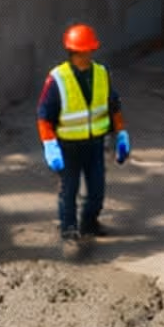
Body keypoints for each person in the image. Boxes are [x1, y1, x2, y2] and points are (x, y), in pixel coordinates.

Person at [38, 23, 127, 256]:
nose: (87, 55)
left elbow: (113, 106)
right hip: (68, 146)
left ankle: (90, 223)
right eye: (82, 52)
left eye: (89, 51)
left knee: (97, 189)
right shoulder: (58, 79)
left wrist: (121, 133)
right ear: (73, 52)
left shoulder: (101, 74)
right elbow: (44, 115)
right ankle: (69, 229)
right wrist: (49, 145)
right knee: (69, 190)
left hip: (94, 144)